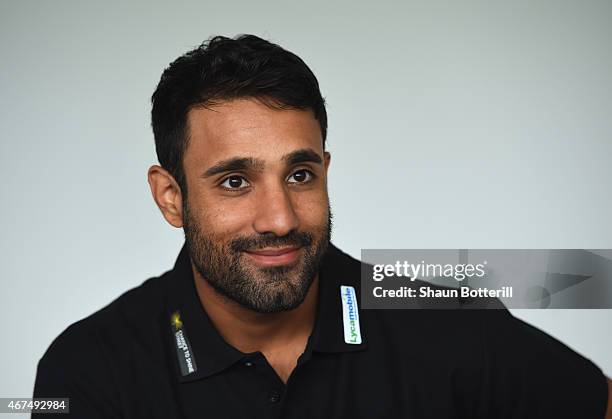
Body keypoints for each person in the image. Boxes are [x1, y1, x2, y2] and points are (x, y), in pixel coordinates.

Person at [33, 34, 611, 419]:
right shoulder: (86, 370)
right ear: (171, 197)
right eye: (234, 181)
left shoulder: (451, 325)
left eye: (301, 174)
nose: (280, 218)